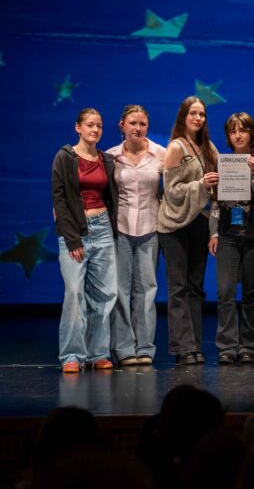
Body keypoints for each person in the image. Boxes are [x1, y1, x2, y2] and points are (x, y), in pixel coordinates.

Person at [51, 108, 118, 373]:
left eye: (99, 126)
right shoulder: (65, 157)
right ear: (78, 127)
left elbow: (110, 198)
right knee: (75, 294)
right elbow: (59, 200)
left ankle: (98, 352)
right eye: (90, 125)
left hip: (102, 230)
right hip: (76, 232)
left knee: (104, 295)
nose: (95, 130)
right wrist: (72, 239)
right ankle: (71, 355)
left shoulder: (106, 160)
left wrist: (109, 228)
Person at [157, 96, 219, 365]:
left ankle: (195, 344)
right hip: (174, 225)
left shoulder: (208, 147)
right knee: (178, 287)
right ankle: (182, 348)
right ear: (183, 116)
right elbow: (171, 191)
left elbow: (221, 180)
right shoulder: (176, 147)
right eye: (193, 113)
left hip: (200, 222)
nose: (198, 118)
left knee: (196, 287)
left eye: (202, 114)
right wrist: (201, 185)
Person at [106, 105, 165, 367]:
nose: (138, 128)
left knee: (147, 291)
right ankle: (124, 348)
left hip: (150, 229)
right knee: (120, 291)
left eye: (142, 123)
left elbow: (174, 188)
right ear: (122, 125)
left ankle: (145, 348)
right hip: (119, 230)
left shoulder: (160, 154)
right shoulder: (110, 157)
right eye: (133, 123)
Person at [208, 112, 254, 365]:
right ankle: (228, 345)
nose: (238, 135)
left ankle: (249, 345)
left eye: (243, 130)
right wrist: (213, 231)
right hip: (228, 234)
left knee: (252, 293)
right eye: (233, 131)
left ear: (252, 133)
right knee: (225, 291)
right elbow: (215, 202)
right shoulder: (222, 162)